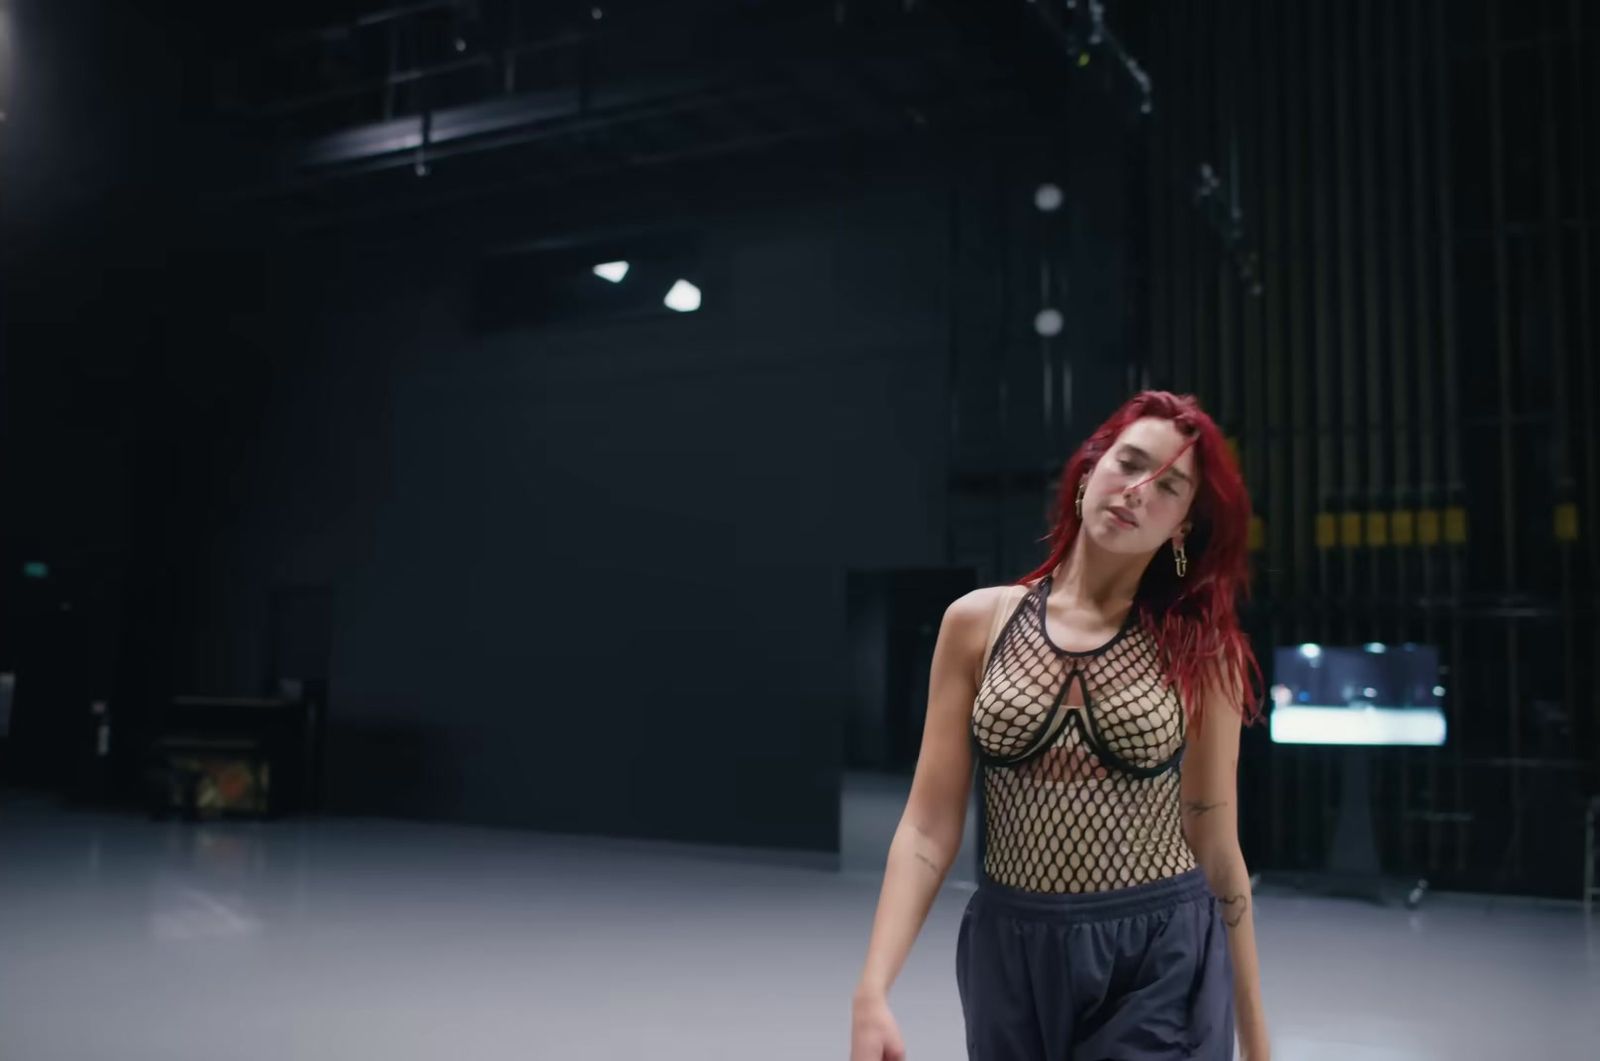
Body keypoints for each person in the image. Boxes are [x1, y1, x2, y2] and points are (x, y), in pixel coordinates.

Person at [849, 391, 1268, 1061]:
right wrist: (872, 988)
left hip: (1155, 953)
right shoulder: (977, 622)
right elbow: (928, 824)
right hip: (1009, 950)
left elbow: (1218, 845)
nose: (1137, 490)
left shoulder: (1199, 649)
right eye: (1128, 462)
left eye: (1168, 487)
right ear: (1090, 468)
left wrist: (1259, 1043)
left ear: (1183, 527)